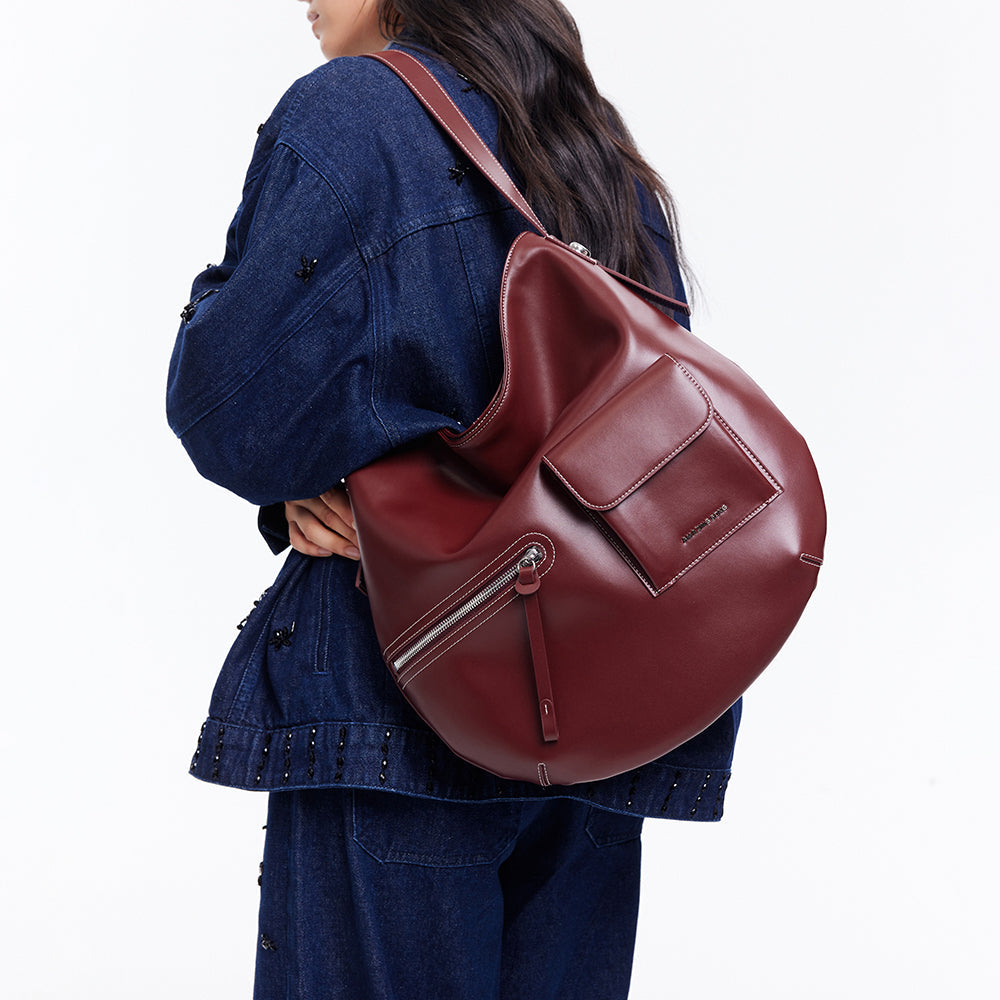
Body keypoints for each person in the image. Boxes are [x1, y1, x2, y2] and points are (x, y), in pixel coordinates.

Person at [167, 2, 741, 997]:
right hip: (589, 698)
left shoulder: (354, 114)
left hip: (402, 685)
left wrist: (317, 469)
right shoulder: (583, 137)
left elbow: (226, 407)